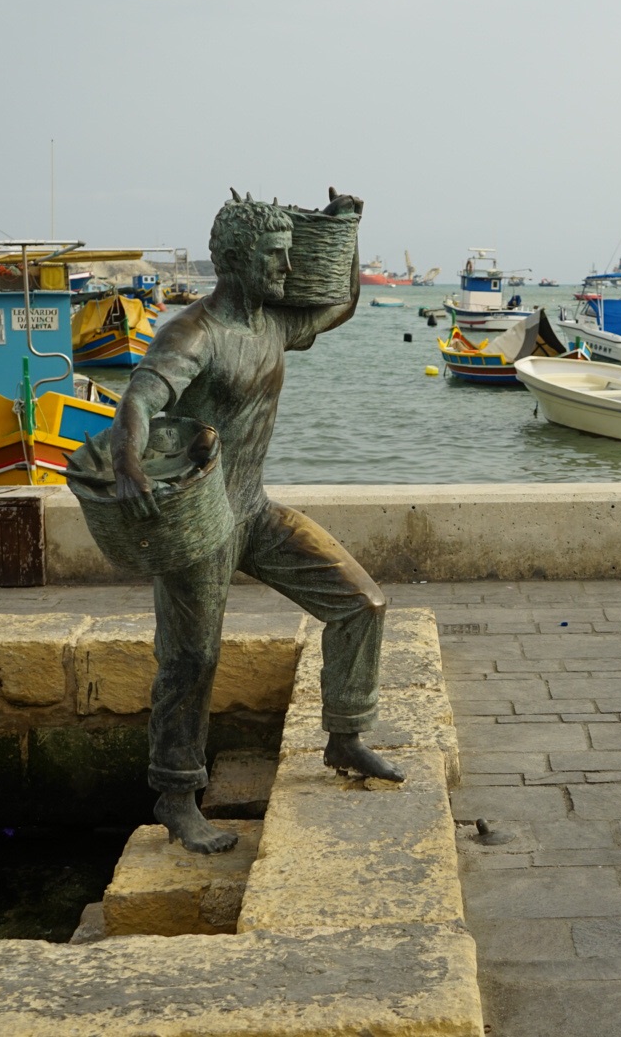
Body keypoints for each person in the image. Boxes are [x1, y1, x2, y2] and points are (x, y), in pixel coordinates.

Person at [111, 190, 401, 855]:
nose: (286, 269)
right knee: (191, 659)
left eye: (289, 256)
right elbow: (142, 398)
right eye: (275, 258)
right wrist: (128, 464)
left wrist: (349, 228)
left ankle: (346, 738)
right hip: (199, 520)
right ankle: (177, 797)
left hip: (255, 510)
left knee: (361, 602)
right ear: (239, 262)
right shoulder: (194, 334)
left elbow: (338, 305)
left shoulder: (271, 324)